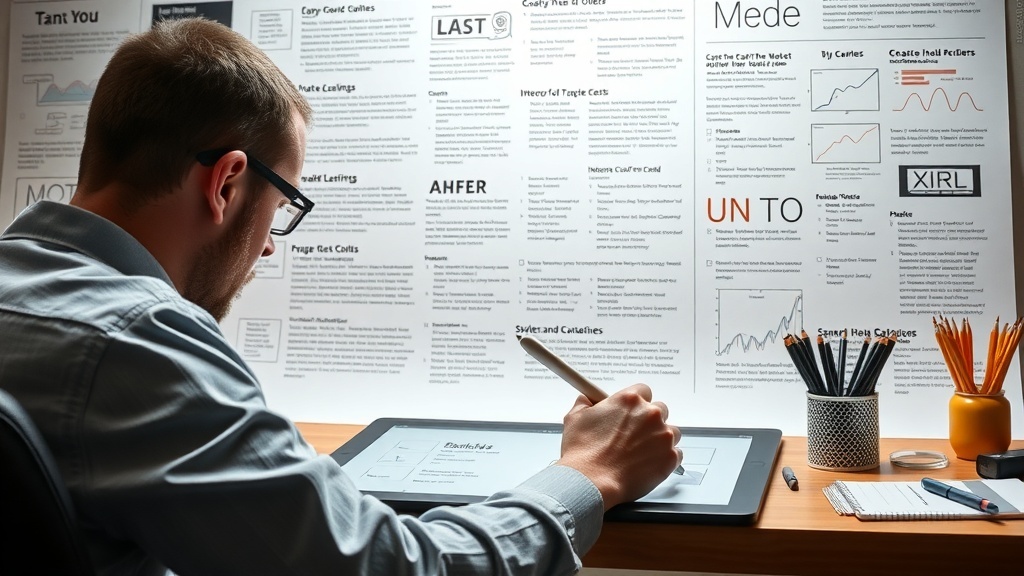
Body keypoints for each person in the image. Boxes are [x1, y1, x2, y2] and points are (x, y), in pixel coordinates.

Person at [0, 18, 682, 576]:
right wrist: (590, 473)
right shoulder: (135, 343)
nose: (269, 244)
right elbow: (397, 570)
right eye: (283, 204)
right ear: (227, 183)